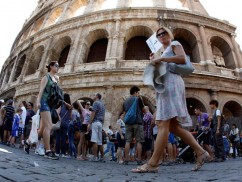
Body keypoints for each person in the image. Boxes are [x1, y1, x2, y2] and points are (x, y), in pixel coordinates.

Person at [132, 27, 209, 173]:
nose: (161, 36)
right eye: (158, 34)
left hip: (172, 84)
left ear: (169, 34)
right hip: (167, 84)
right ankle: (201, 152)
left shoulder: (175, 43)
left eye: (163, 33)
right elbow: (164, 66)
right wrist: (155, 60)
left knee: (162, 123)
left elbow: (182, 58)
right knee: (173, 126)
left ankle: (153, 164)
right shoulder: (163, 51)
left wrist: (162, 58)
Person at [36, 61, 60, 160]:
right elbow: (41, 90)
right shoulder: (46, 77)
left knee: (42, 129)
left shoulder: (56, 79)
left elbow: (57, 93)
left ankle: (28, 142)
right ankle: (48, 151)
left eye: (58, 66)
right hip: (44, 102)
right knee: (49, 127)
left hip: (51, 105)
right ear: (50, 66)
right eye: (56, 65)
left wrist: (63, 103)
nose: (58, 67)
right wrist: (38, 101)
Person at [123, 86, 145, 165]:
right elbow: (144, 110)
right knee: (139, 141)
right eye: (138, 92)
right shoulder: (138, 99)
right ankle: (139, 159)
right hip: (137, 122)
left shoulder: (125, 101)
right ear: (135, 92)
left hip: (128, 123)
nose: (138, 94)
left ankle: (126, 159)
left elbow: (125, 112)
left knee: (128, 141)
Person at [88, 93, 105, 162]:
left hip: (95, 122)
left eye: (94, 95)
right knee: (100, 142)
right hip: (100, 123)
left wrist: (89, 123)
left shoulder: (95, 103)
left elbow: (93, 114)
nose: (93, 96)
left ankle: (95, 157)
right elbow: (103, 116)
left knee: (94, 140)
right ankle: (102, 157)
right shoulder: (103, 105)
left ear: (97, 96)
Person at [55, 93, 73, 158]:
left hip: (60, 123)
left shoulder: (61, 105)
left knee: (57, 137)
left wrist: (59, 118)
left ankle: (57, 152)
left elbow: (57, 113)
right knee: (63, 138)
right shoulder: (70, 107)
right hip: (66, 124)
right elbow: (71, 117)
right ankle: (63, 153)